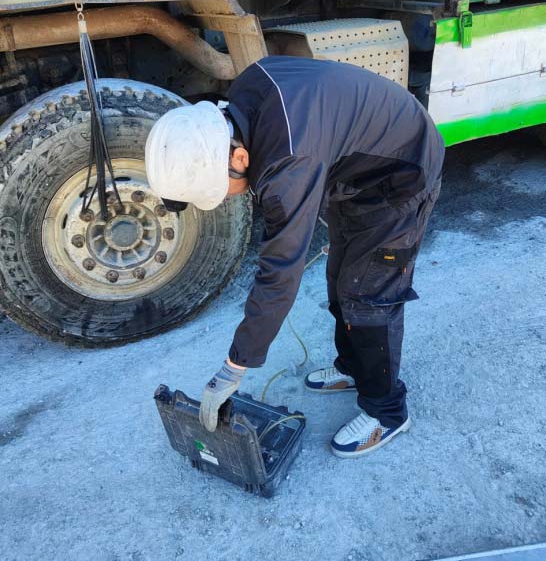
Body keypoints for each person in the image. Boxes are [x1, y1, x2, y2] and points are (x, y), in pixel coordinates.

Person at [145, 56, 444, 458]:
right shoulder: (246, 93)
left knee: (368, 295)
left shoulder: (288, 165)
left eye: (221, 191)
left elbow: (279, 275)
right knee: (341, 277)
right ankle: (354, 367)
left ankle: (387, 411)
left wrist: (233, 367)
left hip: (402, 173)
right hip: (354, 171)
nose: (226, 200)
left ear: (238, 158)